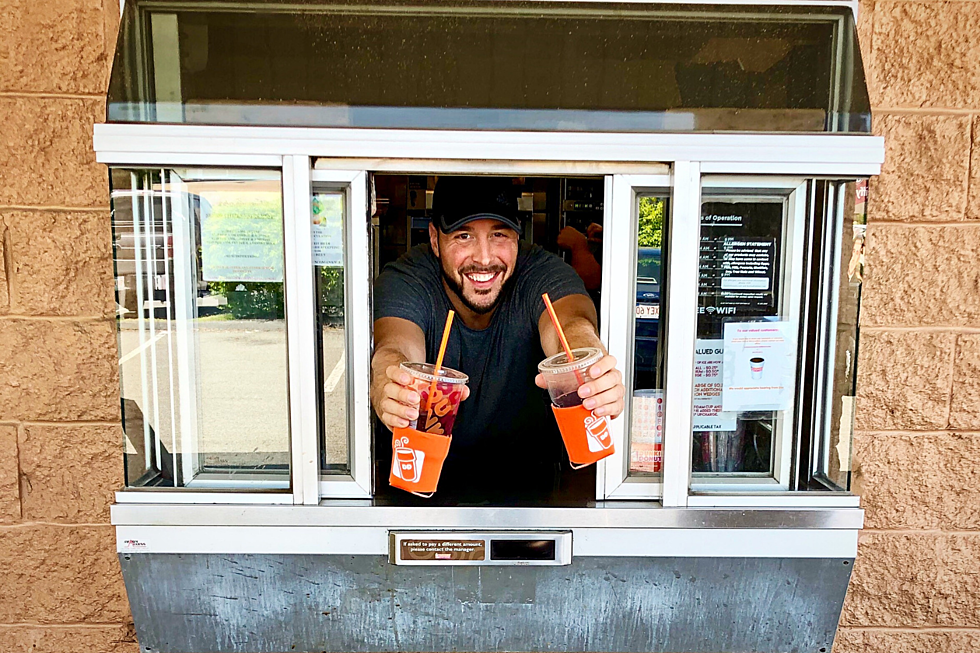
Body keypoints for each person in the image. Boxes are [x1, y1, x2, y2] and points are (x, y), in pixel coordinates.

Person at [371, 176, 624, 500]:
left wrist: (590, 368)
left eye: (499, 234)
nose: (485, 257)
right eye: (464, 236)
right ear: (435, 239)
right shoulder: (407, 278)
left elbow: (571, 325)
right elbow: (395, 347)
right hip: (420, 496)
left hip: (533, 497)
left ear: (518, 237)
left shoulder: (542, 272)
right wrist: (391, 385)